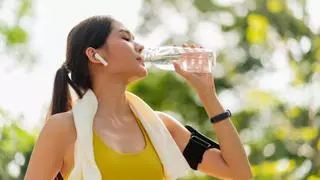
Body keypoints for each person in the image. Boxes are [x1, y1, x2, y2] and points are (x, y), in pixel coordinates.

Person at [24, 15, 252, 180]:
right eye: (126, 38)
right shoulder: (63, 129)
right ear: (95, 55)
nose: (140, 46)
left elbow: (240, 174)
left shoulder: (162, 127)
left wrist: (208, 95)